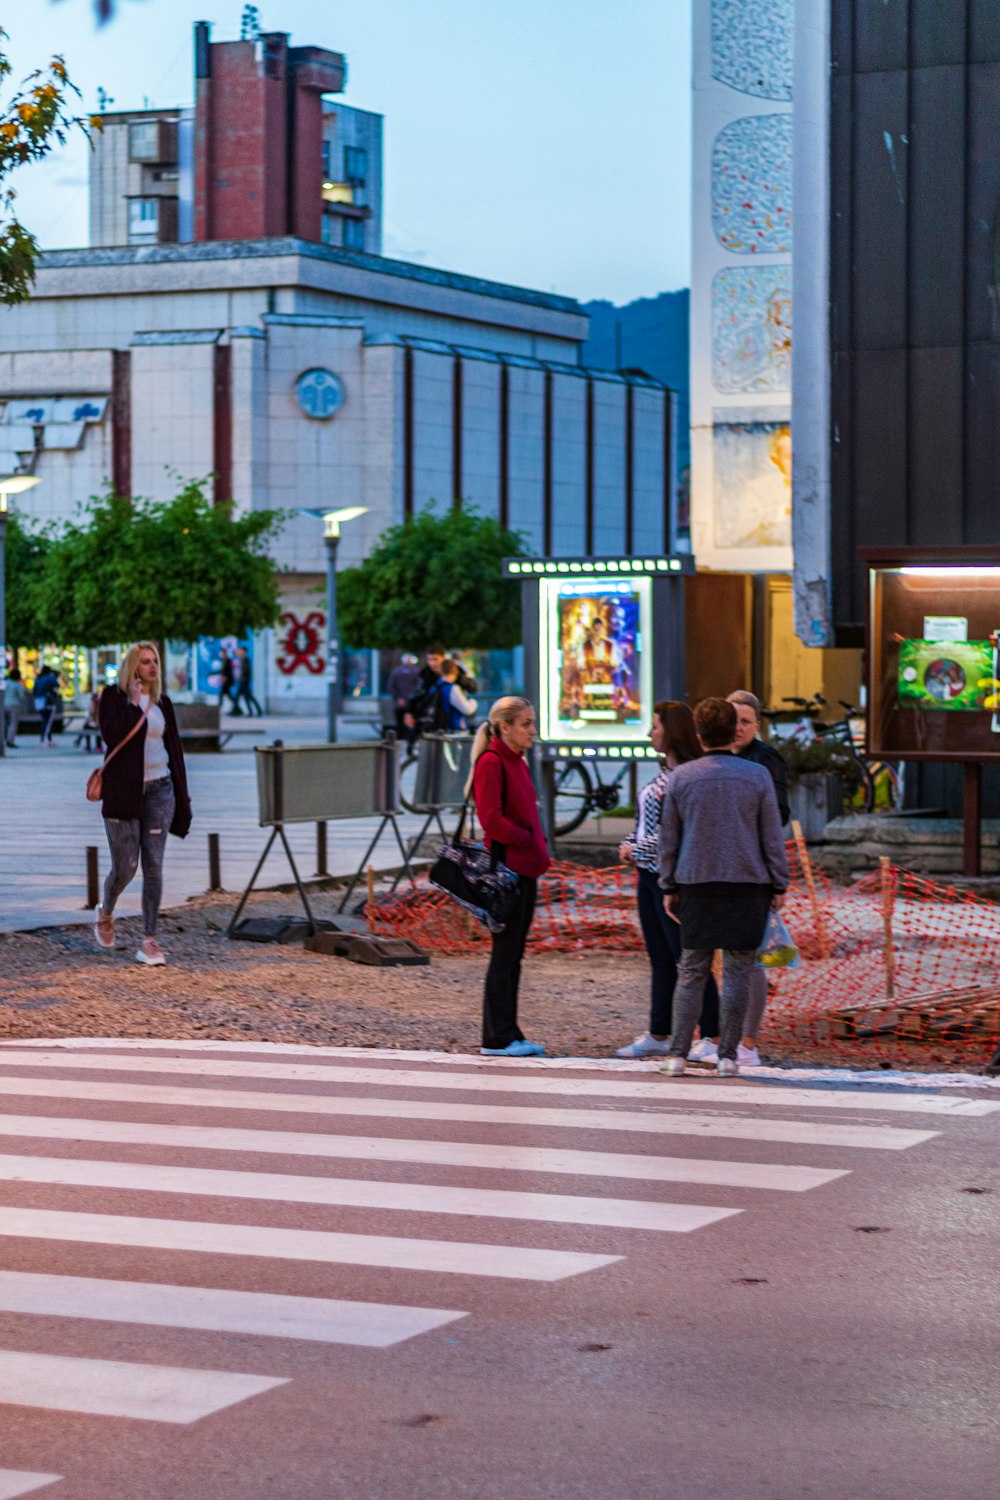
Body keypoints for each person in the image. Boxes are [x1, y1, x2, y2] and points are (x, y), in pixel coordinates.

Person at [658, 697, 789, 1078]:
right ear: (733, 730)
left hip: (695, 881)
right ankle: (728, 1056)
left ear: (698, 735)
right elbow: (771, 837)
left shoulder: (681, 777)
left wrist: (668, 884)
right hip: (748, 883)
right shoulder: (757, 776)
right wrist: (779, 881)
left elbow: (670, 839)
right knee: (737, 971)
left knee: (691, 970)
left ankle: (677, 1055)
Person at [615, 701, 720, 1059]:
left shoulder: (686, 777)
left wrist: (635, 850)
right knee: (660, 956)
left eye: (655, 726)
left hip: (672, 878)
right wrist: (631, 844)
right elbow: (646, 826)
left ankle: (713, 1032)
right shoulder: (663, 775)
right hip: (649, 876)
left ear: (672, 731)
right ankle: (660, 1031)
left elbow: (672, 834)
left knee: (688, 956)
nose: (650, 733)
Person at [94, 641, 192, 966]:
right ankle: (106, 910)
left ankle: (149, 940)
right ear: (133, 666)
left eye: (155, 662)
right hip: (124, 792)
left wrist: (183, 795)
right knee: (126, 867)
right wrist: (134, 704)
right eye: (145, 661)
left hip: (161, 790)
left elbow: (174, 749)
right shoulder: (112, 697)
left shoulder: (164, 702)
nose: (152, 667)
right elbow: (111, 735)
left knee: (153, 865)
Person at [469, 696, 551, 1058]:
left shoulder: (517, 761)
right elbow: (492, 821)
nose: (533, 730)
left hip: (525, 869)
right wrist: (527, 839)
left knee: (513, 955)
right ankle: (497, 1037)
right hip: (508, 873)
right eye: (526, 724)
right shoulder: (492, 762)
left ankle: (508, 1032)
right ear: (505, 727)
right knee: (504, 955)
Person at [434, 659, 478, 731]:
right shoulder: (452, 688)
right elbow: (467, 709)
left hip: (438, 729)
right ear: (455, 672)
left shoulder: (434, 686)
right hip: (452, 729)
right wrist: (473, 701)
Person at [387, 654, 421, 744]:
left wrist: (398, 698)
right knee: (411, 724)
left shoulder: (396, 671)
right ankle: (410, 743)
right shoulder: (417, 671)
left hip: (399, 703)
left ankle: (399, 742)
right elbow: (419, 687)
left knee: (399, 725)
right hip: (412, 703)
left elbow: (391, 686)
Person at [32, 662, 61, 747]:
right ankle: (43, 740)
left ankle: (49, 739)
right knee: (47, 721)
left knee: (45, 720)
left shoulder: (38, 678)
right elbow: (56, 685)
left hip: (38, 701)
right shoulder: (49, 677)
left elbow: (34, 690)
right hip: (47, 701)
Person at [234, 646, 263, 717]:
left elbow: (245, 671)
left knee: (248, 697)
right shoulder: (242, 660)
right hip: (242, 681)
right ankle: (236, 710)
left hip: (244, 681)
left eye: (240, 651)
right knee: (239, 697)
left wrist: (240, 671)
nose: (238, 652)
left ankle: (252, 712)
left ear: (244, 652)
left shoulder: (246, 660)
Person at [4, 667, 27, 748]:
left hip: (4, 705)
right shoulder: (17, 684)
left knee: (5, 724)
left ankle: (5, 738)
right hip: (14, 705)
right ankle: (10, 740)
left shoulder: (6, 682)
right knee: (13, 724)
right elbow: (21, 696)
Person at [217, 647, 236, 712]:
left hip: (228, 680)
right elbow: (222, 671)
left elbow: (229, 671)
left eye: (222, 653)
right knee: (228, 695)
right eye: (221, 653)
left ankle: (219, 707)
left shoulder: (228, 660)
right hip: (225, 680)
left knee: (222, 694)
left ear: (225, 653)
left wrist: (224, 678)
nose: (221, 655)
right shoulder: (223, 661)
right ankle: (236, 706)